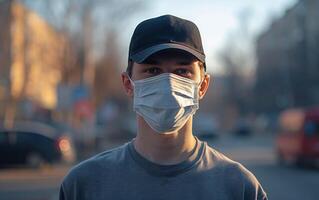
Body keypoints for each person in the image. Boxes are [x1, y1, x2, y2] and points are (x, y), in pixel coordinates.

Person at [59, 14, 268, 200]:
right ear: (127, 84)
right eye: (152, 70)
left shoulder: (240, 188)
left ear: (202, 86)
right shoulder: (84, 185)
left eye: (182, 71)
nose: (168, 83)